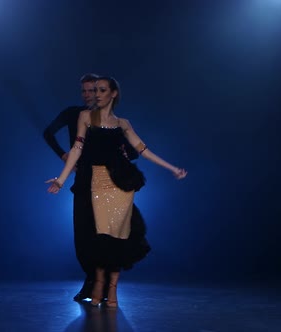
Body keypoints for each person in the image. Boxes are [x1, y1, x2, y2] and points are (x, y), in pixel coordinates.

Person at [46, 76, 187, 307]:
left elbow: (143, 150)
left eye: (102, 90)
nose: (96, 94)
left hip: (120, 185)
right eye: (95, 90)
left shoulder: (123, 123)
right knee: (98, 237)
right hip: (96, 183)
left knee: (117, 237)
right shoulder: (85, 117)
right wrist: (61, 180)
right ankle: (99, 285)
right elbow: (76, 149)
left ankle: (112, 291)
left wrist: (172, 168)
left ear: (113, 94)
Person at [43, 73, 140, 302]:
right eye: (85, 91)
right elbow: (48, 133)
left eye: (93, 90)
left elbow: (134, 150)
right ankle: (93, 282)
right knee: (83, 236)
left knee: (103, 236)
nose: (89, 95)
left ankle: (99, 286)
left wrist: (124, 157)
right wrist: (64, 155)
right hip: (83, 181)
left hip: (108, 185)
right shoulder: (74, 114)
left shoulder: (110, 121)